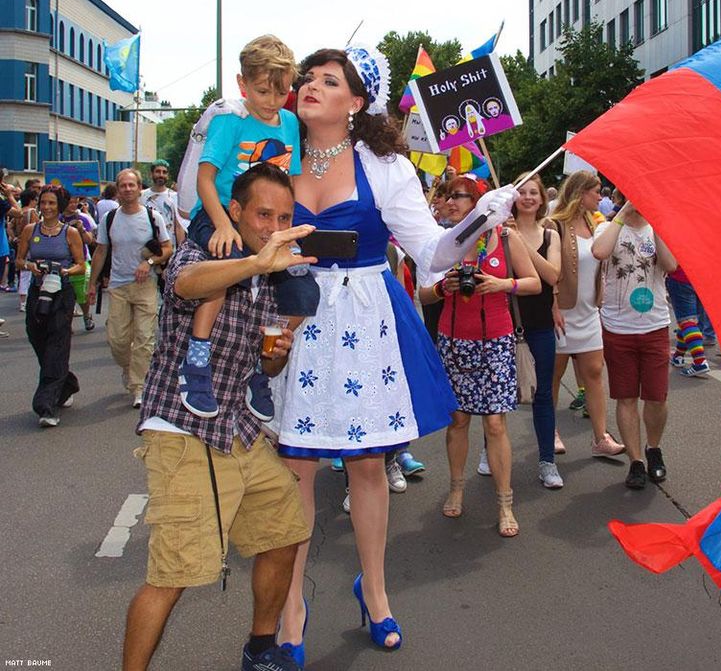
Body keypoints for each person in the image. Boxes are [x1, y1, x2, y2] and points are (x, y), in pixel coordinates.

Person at [201, 45, 515, 660]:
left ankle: (374, 591)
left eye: (328, 80)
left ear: (357, 101)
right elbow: (218, 211)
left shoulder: (385, 164)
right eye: (309, 78)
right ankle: (290, 606)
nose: (311, 87)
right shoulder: (271, 147)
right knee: (296, 469)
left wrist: (480, 218)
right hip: (287, 317)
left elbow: (433, 254)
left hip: (362, 321)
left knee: (368, 466)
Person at [123, 164, 314, 671]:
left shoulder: (277, 277)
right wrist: (255, 262)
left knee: (285, 532)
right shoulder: (209, 251)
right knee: (173, 575)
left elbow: (270, 360)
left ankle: (260, 647)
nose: (274, 227)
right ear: (235, 212)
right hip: (184, 432)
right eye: (263, 214)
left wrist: (277, 352)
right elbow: (186, 284)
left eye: (284, 217)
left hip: (241, 430)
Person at [181, 35, 304, 421]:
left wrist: (288, 234)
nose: (271, 100)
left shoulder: (289, 123)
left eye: (281, 92)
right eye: (263, 90)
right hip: (220, 215)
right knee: (226, 268)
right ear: (242, 84)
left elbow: (291, 184)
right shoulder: (230, 122)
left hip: (265, 225)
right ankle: (196, 359)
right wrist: (221, 225)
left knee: (304, 288)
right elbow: (205, 179)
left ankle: (258, 366)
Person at [419, 176, 540, 534]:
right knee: (458, 420)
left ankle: (505, 503)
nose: (450, 202)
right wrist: (444, 287)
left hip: (496, 340)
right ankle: (456, 490)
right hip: (454, 341)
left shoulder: (504, 236)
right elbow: (425, 295)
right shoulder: (444, 243)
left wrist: (503, 285)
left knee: (495, 423)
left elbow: (534, 281)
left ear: (479, 203)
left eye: (458, 196)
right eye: (448, 196)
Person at [592, 200, 678, 488]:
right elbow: (599, 252)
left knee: (657, 397)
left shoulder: (658, 228)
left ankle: (654, 449)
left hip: (654, 324)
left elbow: (670, 265)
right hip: (618, 327)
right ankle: (636, 460)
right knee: (626, 396)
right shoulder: (608, 227)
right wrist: (622, 215)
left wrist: (659, 222)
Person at [549, 170, 626, 458]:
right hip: (562, 313)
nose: (600, 196)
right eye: (595, 191)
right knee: (553, 377)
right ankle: (550, 431)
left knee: (594, 373)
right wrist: (553, 305)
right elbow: (549, 271)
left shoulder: (596, 224)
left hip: (589, 311)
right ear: (581, 193)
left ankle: (600, 437)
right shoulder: (554, 225)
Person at [87, 169, 173, 408]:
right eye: (123, 185)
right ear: (118, 189)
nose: (127, 189)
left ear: (139, 188)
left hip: (146, 285)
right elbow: (101, 251)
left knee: (145, 338)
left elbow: (167, 248)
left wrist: (150, 263)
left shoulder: (152, 217)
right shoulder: (110, 219)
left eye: (131, 185)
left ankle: (140, 387)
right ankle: (128, 368)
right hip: (118, 285)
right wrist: (92, 284)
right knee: (118, 340)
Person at [14, 185, 85, 426]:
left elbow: (80, 264)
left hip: (61, 293)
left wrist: (64, 270)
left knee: (57, 344)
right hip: (38, 290)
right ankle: (67, 383)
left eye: (52, 203)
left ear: (60, 206)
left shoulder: (69, 233)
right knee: (37, 337)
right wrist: (30, 266)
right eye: (43, 202)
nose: (46, 207)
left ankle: (46, 406)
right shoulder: (29, 230)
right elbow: (19, 259)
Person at [510, 172, 564, 488]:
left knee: (543, 394)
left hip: (541, 324)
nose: (528, 197)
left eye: (534, 192)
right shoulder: (500, 232)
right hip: (507, 323)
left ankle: (547, 462)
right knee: (501, 394)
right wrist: (510, 237)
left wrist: (520, 244)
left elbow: (552, 275)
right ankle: (492, 453)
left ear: (542, 199)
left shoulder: (551, 234)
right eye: (522, 192)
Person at [666, 267, 711, 376]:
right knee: (689, 322)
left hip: (682, 278)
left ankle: (699, 361)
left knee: (687, 322)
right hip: (703, 278)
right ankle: (678, 356)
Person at [61, 194, 97, 331]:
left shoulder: (82, 218)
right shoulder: (57, 219)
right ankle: (66, 322)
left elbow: (90, 240)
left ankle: (86, 315)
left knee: (82, 295)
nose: (73, 205)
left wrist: (81, 229)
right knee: (64, 295)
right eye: (70, 202)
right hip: (63, 261)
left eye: (75, 202)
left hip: (79, 261)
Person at [141, 159, 186, 248]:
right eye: (158, 172)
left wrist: (181, 249)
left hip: (169, 248)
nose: (161, 175)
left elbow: (179, 227)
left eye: (164, 172)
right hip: (145, 247)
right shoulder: (141, 196)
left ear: (168, 176)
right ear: (151, 174)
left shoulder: (175, 197)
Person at [11, 187, 38, 312]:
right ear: (32, 200)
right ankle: (30, 299)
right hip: (30, 244)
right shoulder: (32, 212)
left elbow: (9, 226)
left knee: (23, 272)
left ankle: (22, 301)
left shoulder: (18, 212)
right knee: (32, 270)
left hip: (19, 243)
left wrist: (15, 237)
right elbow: (35, 227)